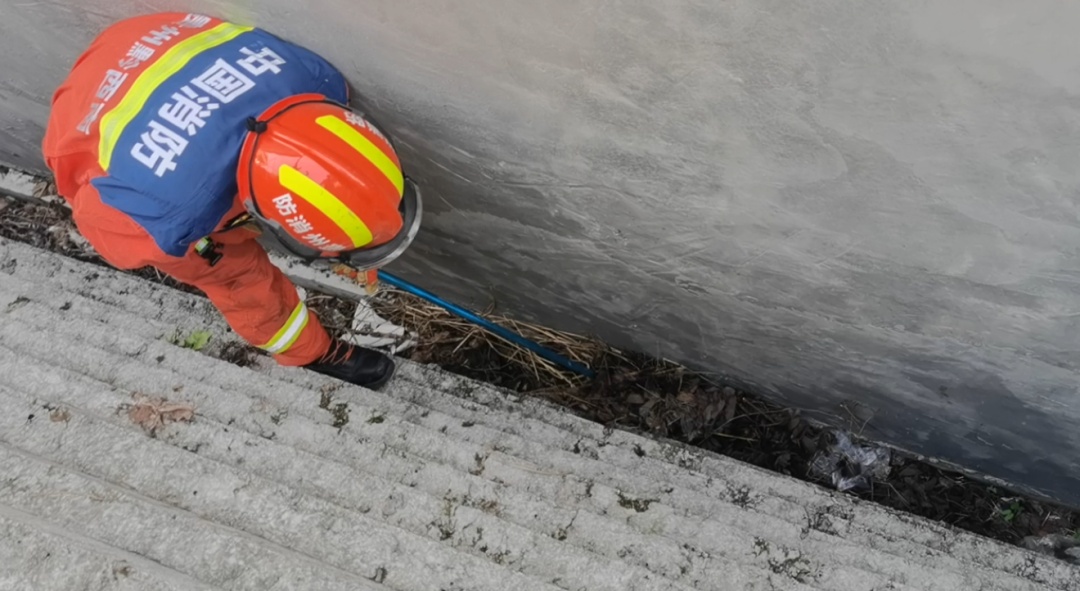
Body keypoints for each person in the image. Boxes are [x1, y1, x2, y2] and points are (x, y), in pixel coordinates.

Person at [42, 12, 422, 390]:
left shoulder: (315, 78)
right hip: (84, 129)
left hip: (136, 45)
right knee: (237, 278)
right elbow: (107, 233)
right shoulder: (163, 217)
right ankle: (308, 352)